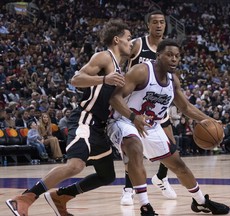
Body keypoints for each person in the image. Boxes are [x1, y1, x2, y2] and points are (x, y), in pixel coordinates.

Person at [6, 19, 134, 216]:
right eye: (128, 39)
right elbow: (76, 80)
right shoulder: (104, 57)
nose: (131, 43)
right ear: (117, 40)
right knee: (76, 165)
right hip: (85, 119)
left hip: (99, 127)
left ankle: (61, 196)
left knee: (107, 176)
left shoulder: (119, 68)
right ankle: (25, 198)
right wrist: (104, 79)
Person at [108, 39, 230, 215]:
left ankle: (201, 201)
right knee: (134, 147)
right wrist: (134, 118)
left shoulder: (173, 81)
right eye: (169, 55)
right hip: (124, 120)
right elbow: (115, 98)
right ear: (158, 56)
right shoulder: (141, 71)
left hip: (151, 126)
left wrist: (209, 121)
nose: (174, 59)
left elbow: (186, 107)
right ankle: (145, 206)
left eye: (177, 56)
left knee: (178, 165)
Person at [120, 10, 177, 206]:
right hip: (135, 104)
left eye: (162, 22)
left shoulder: (167, 48)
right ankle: (128, 189)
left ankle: (161, 177)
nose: (159, 25)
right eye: (155, 22)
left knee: (171, 146)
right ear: (148, 25)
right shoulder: (137, 44)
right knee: (133, 151)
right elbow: (119, 62)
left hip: (156, 104)